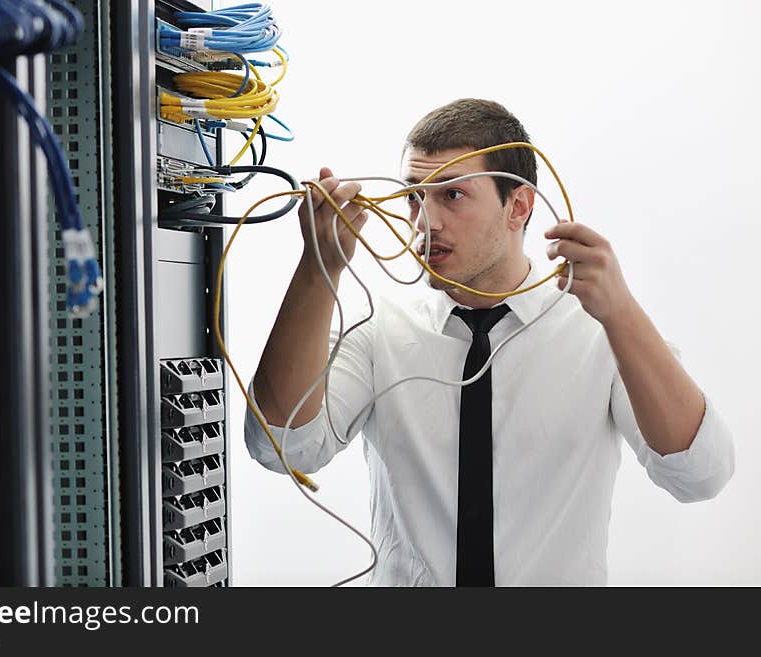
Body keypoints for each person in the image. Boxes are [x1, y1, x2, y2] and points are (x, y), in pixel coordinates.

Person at [243, 98, 735, 586]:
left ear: (517, 206)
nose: (425, 222)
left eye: (451, 196)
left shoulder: (599, 334)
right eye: (415, 195)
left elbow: (700, 476)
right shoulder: (380, 333)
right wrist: (318, 267)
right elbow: (279, 448)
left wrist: (621, 314)